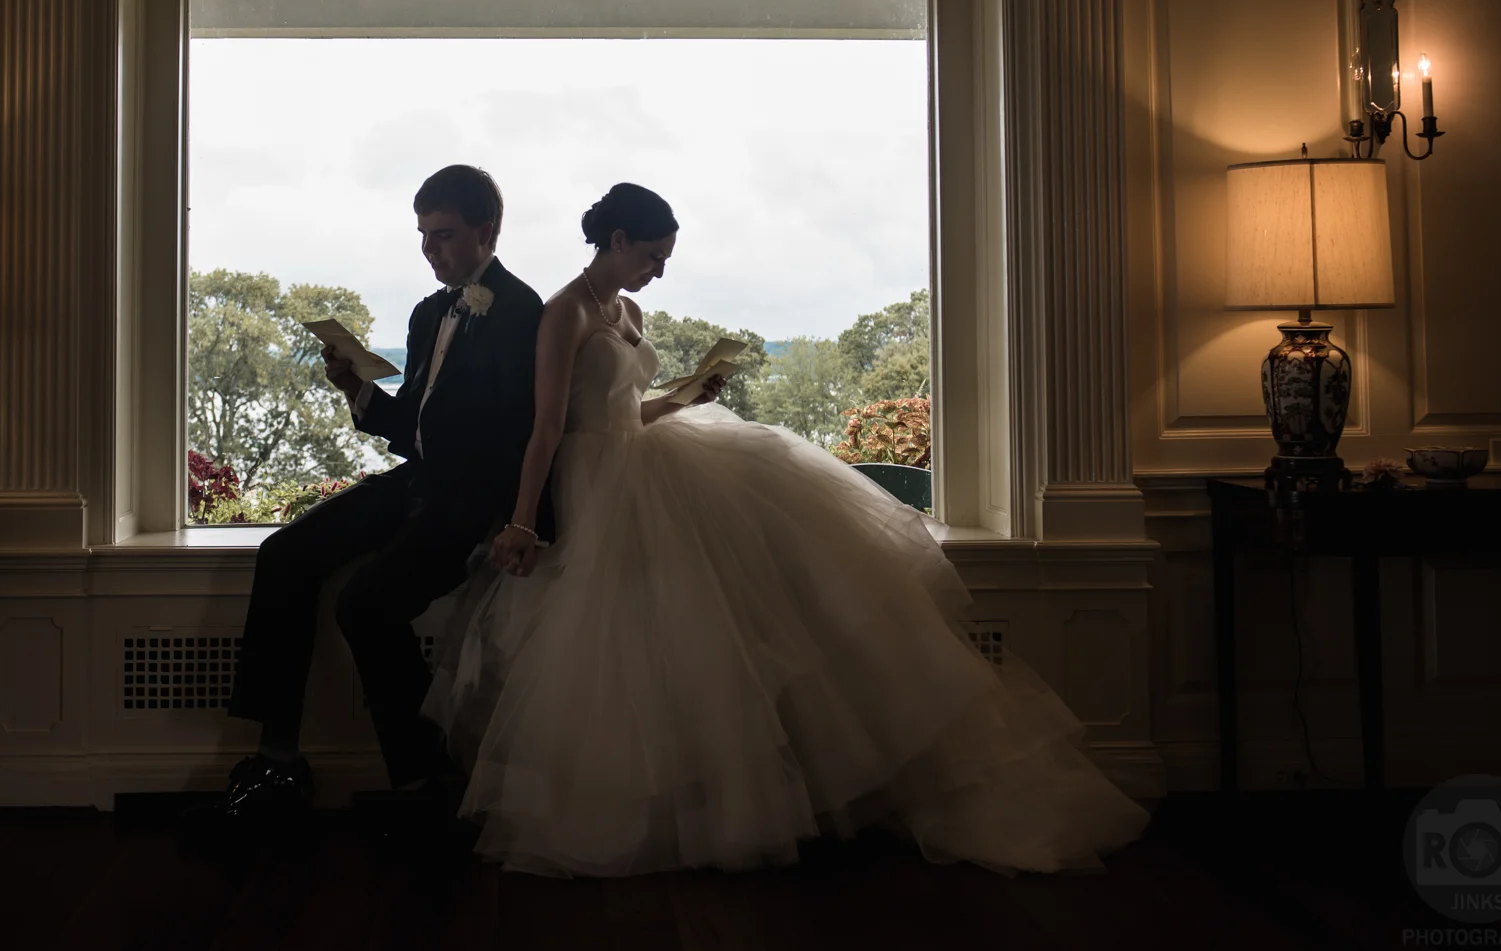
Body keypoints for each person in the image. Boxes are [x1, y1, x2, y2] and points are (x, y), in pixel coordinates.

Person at [424, 182, 1152, 878]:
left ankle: (710, 807)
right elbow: (550, 428)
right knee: (622, 647)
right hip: (595, 488)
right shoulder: (564, 313)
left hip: (644, 466)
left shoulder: (628, 312)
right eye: (652, 256)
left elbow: (624, 411)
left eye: (665, 258)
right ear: (616, 240)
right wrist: (523, 521)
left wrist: (683, 397)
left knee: (702, 636)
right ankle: (633, 816)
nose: (659, 271)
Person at [215, 165, 545, 837]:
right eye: (422, 235)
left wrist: (513, 520)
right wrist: (356, 389)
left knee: (364, 604)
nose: (429, 250)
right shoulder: (427, 314)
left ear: (486, 231)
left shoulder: (522, 311)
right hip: (414, 482)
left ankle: (427, 781)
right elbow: (414, 425)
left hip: (468, 502)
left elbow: (527, 431)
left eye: (443, 235)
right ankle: (277, 757)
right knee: (283, 553)